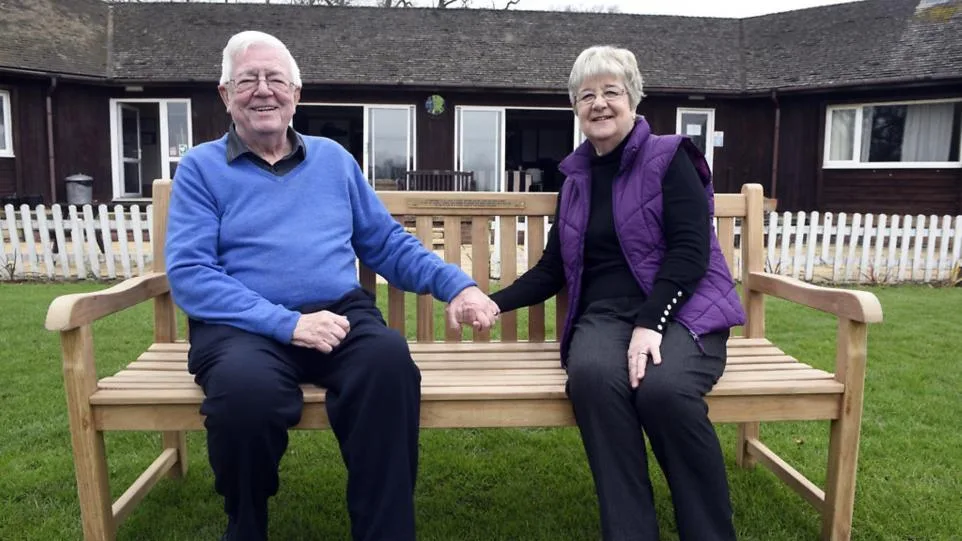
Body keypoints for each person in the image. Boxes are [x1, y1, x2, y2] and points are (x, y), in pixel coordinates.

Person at [164, 30, 498, 541]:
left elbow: (386, 243)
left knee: (389, 366)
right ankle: (246, 524)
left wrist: (458, 286)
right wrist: (288, 324)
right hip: (243, 328)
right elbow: (190, 274)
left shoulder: (334, 162)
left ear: (296, 95)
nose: (263, 90)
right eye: (248, 79)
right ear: (225, 94)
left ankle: (384, 531)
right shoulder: (201, 170)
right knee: (243, 399)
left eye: (276, 79)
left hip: (339, 315)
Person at [489, 45, 746, 541]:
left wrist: (651, 322)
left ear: (634, 98)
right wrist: (494, 302)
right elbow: (552, 268)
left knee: (665, 391)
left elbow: (691, 252)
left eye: (611, 91)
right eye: (587, 95)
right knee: (590, 377)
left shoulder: (670, 158)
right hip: (604, 319)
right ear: (575, 108)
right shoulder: (576, 180)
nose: (599, 104)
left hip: (682, 312)